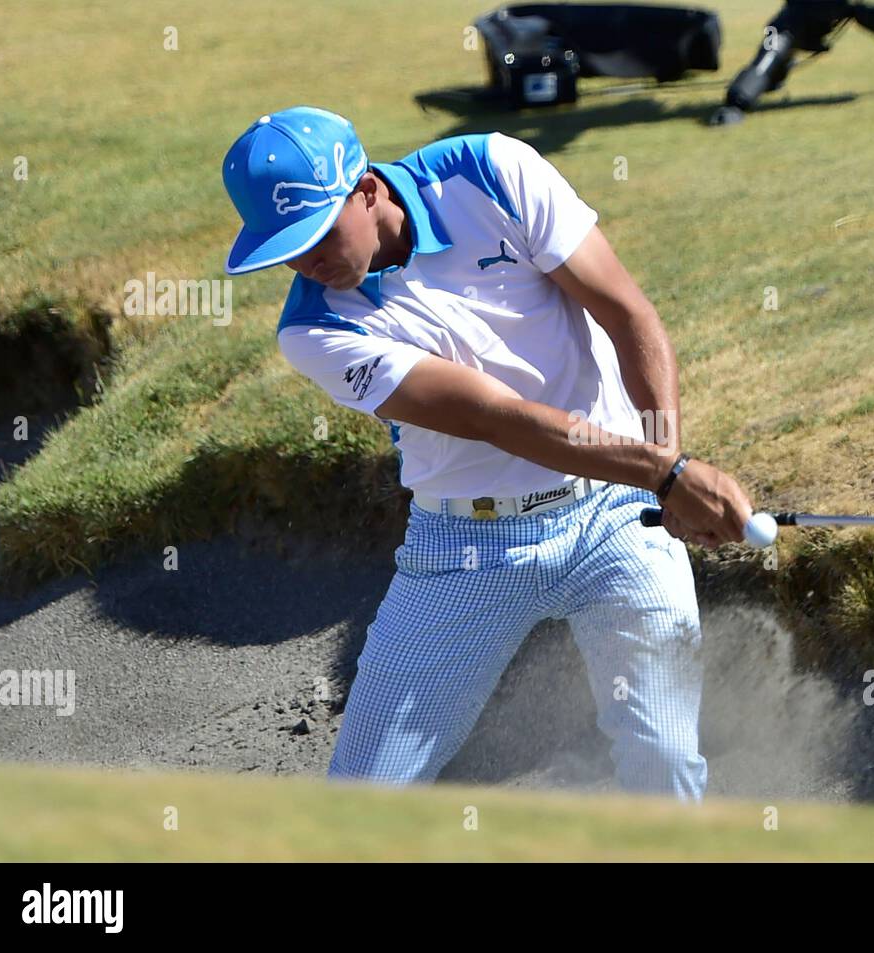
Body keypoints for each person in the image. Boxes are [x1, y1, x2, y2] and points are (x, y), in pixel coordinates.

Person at [220, 106, 754, 801]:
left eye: (316, 232)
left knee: (665, 763)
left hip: (619, 518)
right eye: (284, 248)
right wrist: (667, 473)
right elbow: (494, 417)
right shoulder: (314, 330)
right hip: (465, 549)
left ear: (368, 189)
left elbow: (627, 314)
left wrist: (665, 474)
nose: (305, 261)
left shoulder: (492, 172)